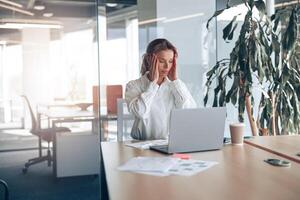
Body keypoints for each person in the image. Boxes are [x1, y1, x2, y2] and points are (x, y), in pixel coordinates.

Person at [125, 38, 196, 140]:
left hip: (170, 145)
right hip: (141, 146)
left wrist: (175, 81)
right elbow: (141, 113)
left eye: (171, 61)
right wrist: (153, 84)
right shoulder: (133, 86)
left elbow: (188, 112)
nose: (167, 66)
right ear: (149, 60)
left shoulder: (176, 85)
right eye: (162, 61)